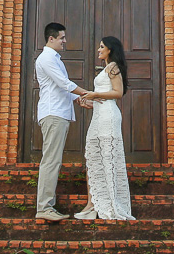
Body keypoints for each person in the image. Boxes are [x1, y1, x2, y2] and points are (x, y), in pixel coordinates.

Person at [73, 36, 135, 220]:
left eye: (101, 47)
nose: (98, 50)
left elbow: (117, 93)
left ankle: (106, 203)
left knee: (107, 156)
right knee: (93, 156)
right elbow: (102, 98)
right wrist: (89, 102)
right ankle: (92, 203)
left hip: (109, 117)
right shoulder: (107, 68)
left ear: (110, 49)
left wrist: (94, 94)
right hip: (99, 115)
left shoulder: (113, 67)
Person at [34, 22, 88, 222]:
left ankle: (46, 205)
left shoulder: (55, 59)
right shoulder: (47, 58)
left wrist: (78, 100)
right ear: (51, 38)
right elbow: (63, 83)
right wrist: (87, 93)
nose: (65, 41)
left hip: (60, 113)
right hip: (53, 113)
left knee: (53, 160)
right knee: (51, 161)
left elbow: (62, 87)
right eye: (62, 38)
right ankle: (44, 207)